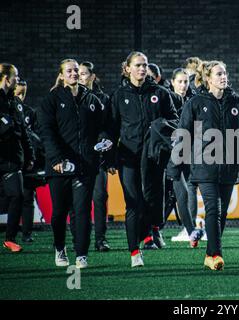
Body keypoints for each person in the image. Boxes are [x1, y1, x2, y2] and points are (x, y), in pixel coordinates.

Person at [167, 60, 239, 270]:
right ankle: (217, 254)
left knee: (222, 213)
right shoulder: (195, 103)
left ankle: (210, 254)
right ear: (208, 78)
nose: (223, 77)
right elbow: (183, 135)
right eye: (218, 74)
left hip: (229, 167)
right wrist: (174, 165)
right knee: (213, 211)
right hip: (204, 166)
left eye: (225, 73)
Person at [37, 59, 109, 268]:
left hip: (85, 166)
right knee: (59, 212)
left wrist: (103, 140)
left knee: (82, 211)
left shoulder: (91, 99)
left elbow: (103, 126)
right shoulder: (51, 99)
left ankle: (81, 254)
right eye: (69, 71)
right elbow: (47, 133)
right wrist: (57, 159)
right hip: (59, 167)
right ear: (61, 75)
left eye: (76, 70)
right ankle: (60, 247)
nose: (74, 74)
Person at [109, 51, 178, 267]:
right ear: (127, 68)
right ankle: (134, 252)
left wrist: (161, 128)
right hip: (128, 157)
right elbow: (110, 129)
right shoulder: (119, 95)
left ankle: (149, 231)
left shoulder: (161, 93)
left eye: (145, 65)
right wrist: (109, 158)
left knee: (152, 203)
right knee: (133, 203)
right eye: (138, 65)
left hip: (154, 156)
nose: (142, 68)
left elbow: (175, 119)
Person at [75, 61, 111, 252]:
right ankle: (79, 239)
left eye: (84, 74)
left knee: (99, 196)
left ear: (92, 76)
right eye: (78, 74)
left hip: (98, 158)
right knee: (78, 201)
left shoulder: (103, 99)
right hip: (77, 157)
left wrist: (104, 143)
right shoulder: (70, 98)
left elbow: (108, 127)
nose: (80, 77)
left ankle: (101, 239)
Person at [166, 68, 204, 247]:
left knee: (186, 191)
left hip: (189, 151)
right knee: (166, 196)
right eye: (179, 81)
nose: (183, 85)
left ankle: (190, 231)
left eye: (185, 82)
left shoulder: (193, 99)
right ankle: (154, 230)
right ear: (172, 82)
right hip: (169, 153)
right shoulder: (165, 98)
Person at [0, 63, 34, 252]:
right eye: (16, 76)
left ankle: (10, 238)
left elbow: (23, 131)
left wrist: (29, 155)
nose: (18, 80)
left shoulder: (15, 102)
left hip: (12, 160)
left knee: (18, 195)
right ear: (6, 78)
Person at [14, 79, 44, 243]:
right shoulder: (7, 108)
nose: (21, 96)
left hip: (26, 160)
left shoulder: (29, 113)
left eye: (23, 93)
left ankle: (26, 233)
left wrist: (32, 157)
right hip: (9, 159)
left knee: (27, 195)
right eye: (18, 92)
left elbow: (36, 137)